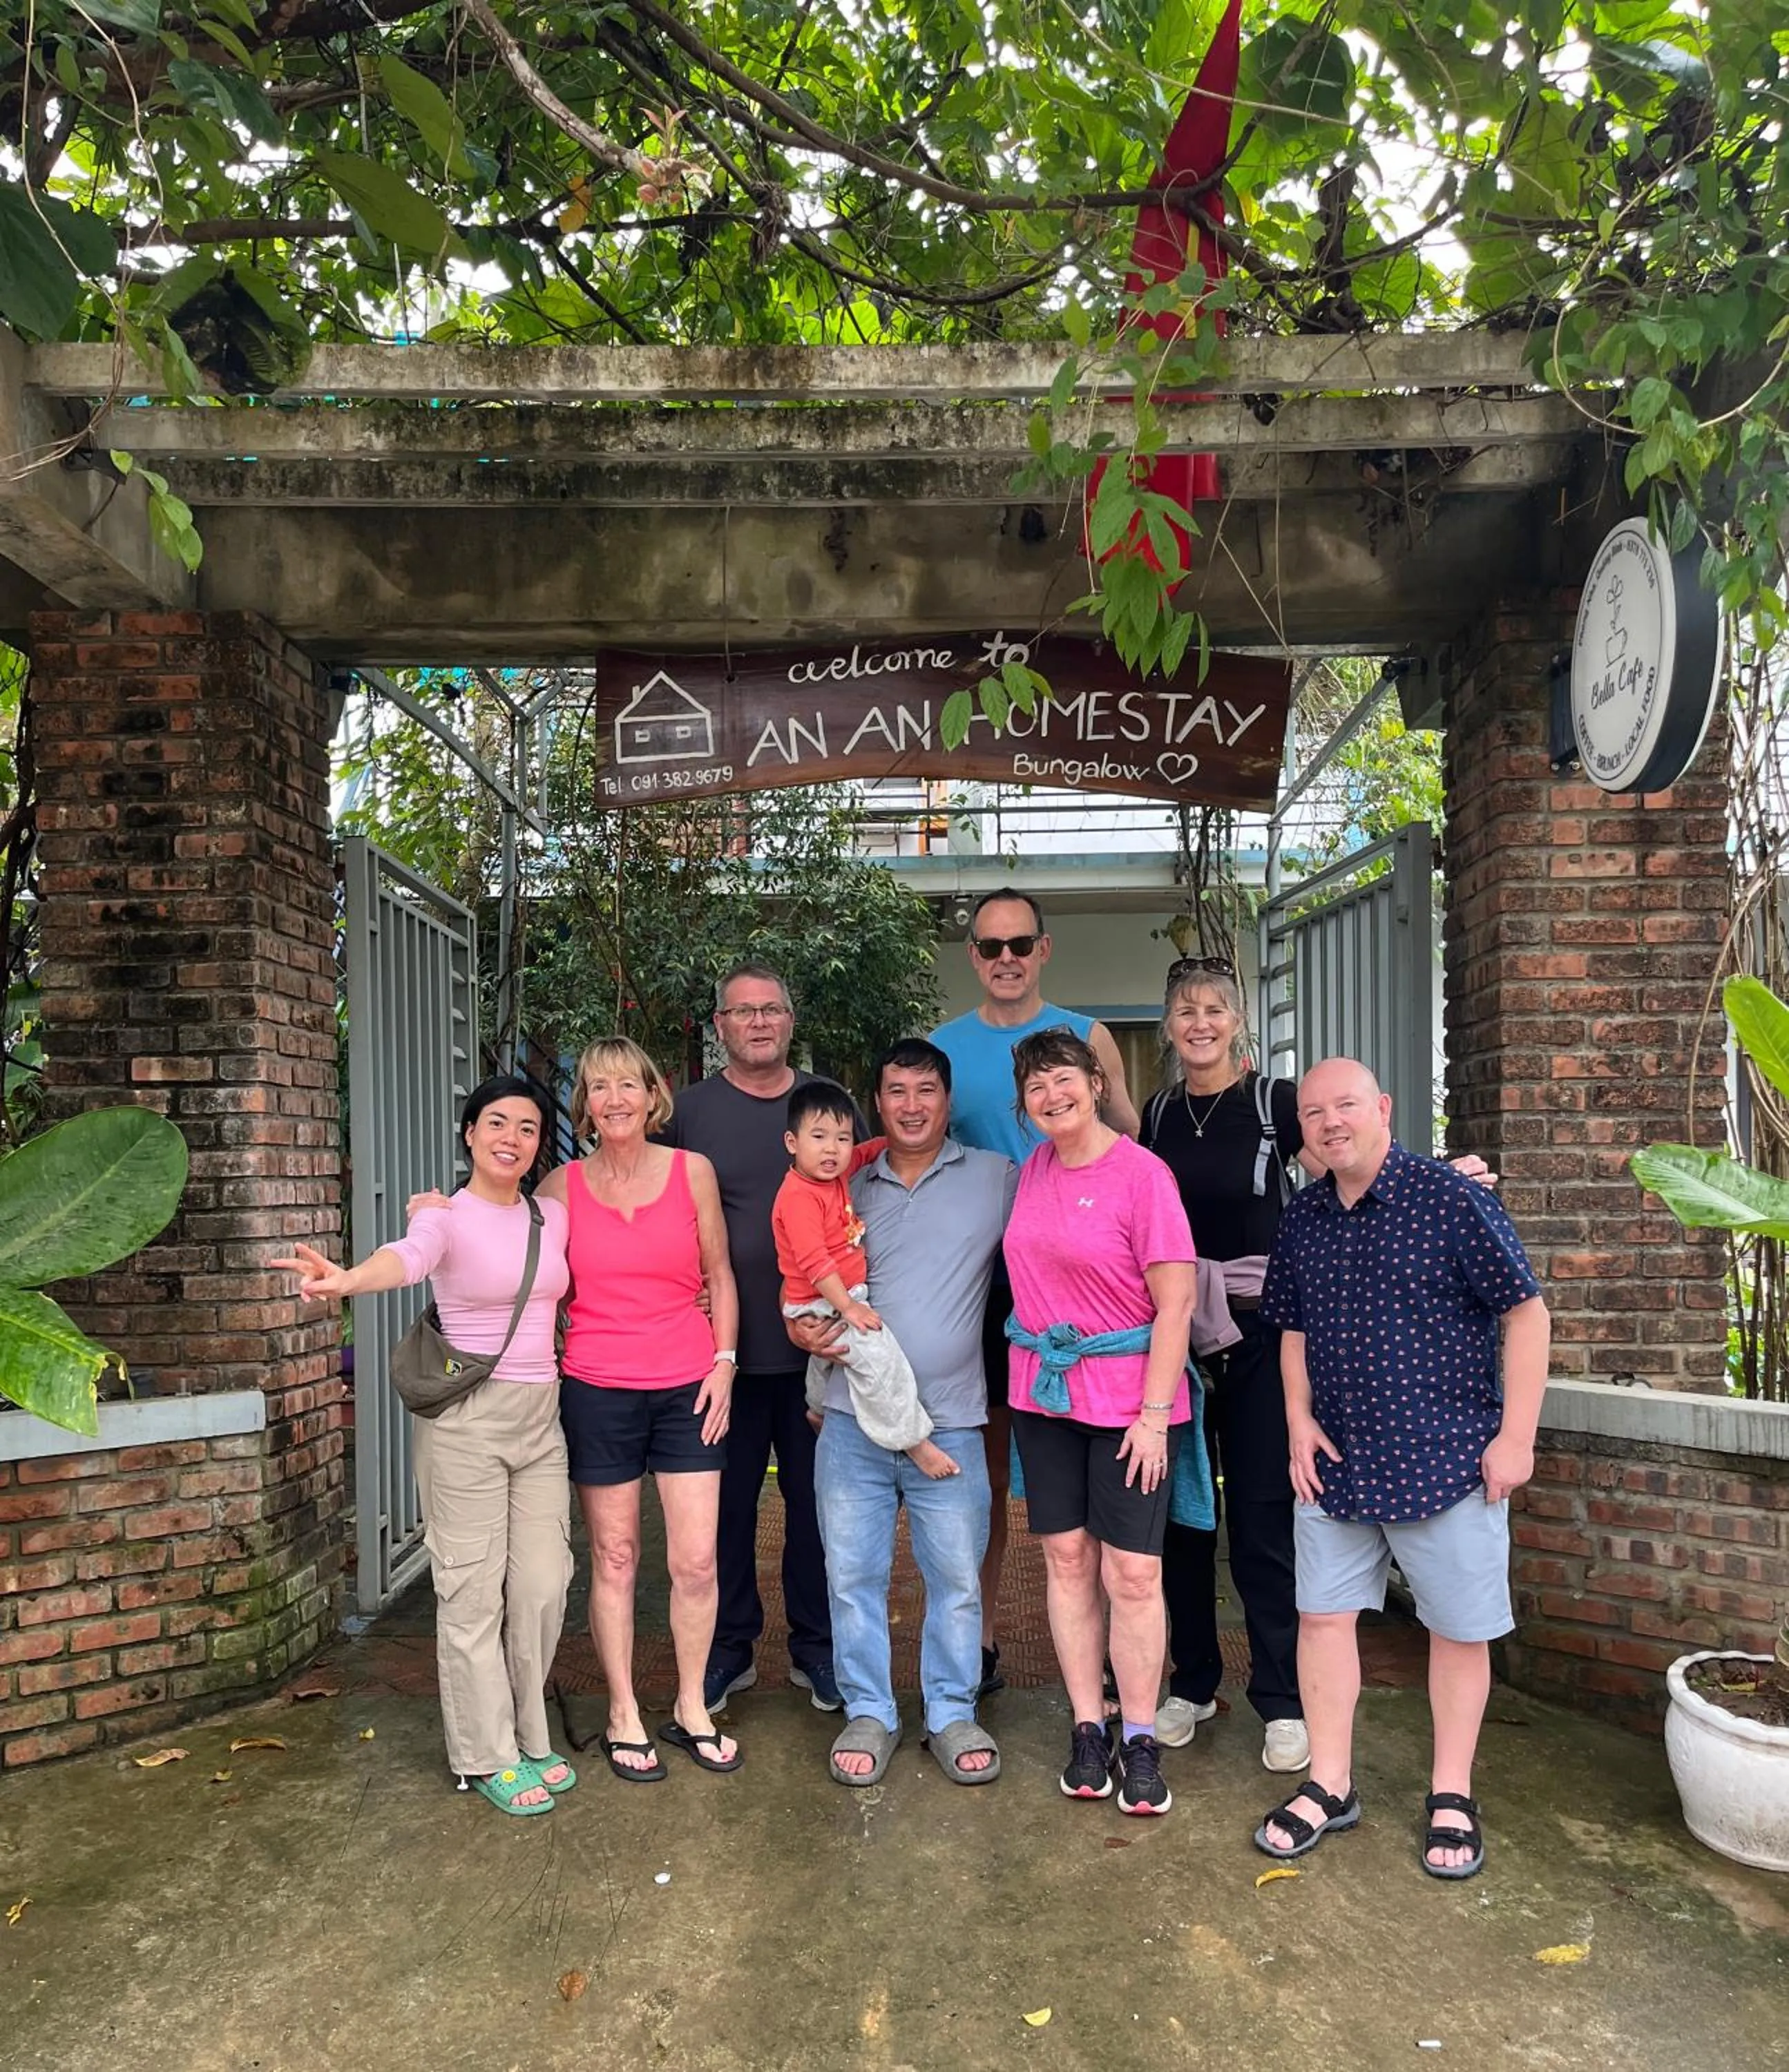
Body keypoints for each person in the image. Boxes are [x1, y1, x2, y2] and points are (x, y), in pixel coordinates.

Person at [1253, 1057, 1550, 1879]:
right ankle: (1329, 1780)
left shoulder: (1450, 1199)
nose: (1329, 1122)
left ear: (1382, 1106)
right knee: (1322, 1620)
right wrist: (1297, 1420)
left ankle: (1451, 1792)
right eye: (1313, 1113)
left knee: (1456, 1629)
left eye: (1344, 1105)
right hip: (1337, 1463)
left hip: (1446, 1459)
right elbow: (1293, 1327)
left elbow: (1525, 1312)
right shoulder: (1304, 1218)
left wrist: (1515, 1438)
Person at [275, 1077, 576, 1817]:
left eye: (529, 1127)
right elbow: (407, 1257)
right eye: (496, 1122)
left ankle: (530, 1730)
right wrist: (347, 1280)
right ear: (469, 1133)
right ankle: (485, 1755)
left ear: (540, 1145)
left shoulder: (554, 1217)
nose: (512, 1137)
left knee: (542, 1583)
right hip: (466, 1423)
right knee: (471, 1590)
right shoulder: (445, 1217)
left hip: (543, 1419)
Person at [787, 1039, 1015, 1788]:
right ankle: (870, 1711)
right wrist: (795, 1328)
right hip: (851, 1419)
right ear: (875, 1104)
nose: (911, 1104)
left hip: (949, 1420)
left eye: (925, 1090)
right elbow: (794, 1262)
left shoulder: (995, 1177)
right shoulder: (842, 1181)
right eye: (895, 1091)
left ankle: (951, 1711)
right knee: (852, 1576)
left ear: (946, 1102)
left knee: (954, 1579)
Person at [930, 889, 1141, 1698]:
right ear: (973, 957)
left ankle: (1113, 1663)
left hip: (1089, 1290)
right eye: (990, 947)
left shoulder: (1088, 1038)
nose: (1006, 958)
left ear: (1044, 949)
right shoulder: (943, 1049)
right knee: (982, 1478)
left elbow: (1135, 1145)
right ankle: (979, 1642)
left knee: (1098, 1484)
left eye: (1020, 943)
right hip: (982, 1288)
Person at [1003, 1026, 1205, 1819]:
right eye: (1036, 1089)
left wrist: (1155, 1416)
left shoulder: (1141, 1175)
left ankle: (1143, 1733)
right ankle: (1088, 1726)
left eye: (1063, 1080)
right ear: (1025, 1107)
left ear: (1094, 1080)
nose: (1052, 1097)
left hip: (1130, 1405)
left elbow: (1176, 1302)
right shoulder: (1030, 1172)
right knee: (1064, 1561)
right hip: (1047, 1398)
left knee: (1134, 1572)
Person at [542, 1035, 743, 1781]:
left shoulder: (693, 1173)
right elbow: (515, 1255)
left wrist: (724, 1364)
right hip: (597, 1386)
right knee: (616, 1556)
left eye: (629, 1084)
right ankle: (624, 1710)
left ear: (653, 1096)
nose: (616, 1099)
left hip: (689, 1385)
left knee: (694, 1559)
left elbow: (720, 1276)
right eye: (600, 1087)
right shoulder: (560, 1190)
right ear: (586, 1105)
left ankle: (692, 1705)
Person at [1139, 957, 1312, 1774]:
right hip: (1173, 1341)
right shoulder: (1159, 1112)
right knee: (1180, 1520)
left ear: (1237, 1021)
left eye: (1214, 1008)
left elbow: (1347, 1177)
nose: (1199, 1022)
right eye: (1184, 1010)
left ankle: (1282, 1697)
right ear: (1169, 1025)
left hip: (1258, 1338)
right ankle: (1193, 1681)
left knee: (1261, 1520)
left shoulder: (1278, 1105)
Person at [660, 963, 846, 1715]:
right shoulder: (688, 1113)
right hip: (719, 1359)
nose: (759, 1022)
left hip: (818, 1359)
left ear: (790, 1019)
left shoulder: (828, 1107)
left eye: (772, 1009)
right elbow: (654, 1202)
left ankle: (816, 1649)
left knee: (818, 1512)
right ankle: (728, 1651)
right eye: (743, 1012)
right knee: (724, 1514)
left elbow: (859, 1206)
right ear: (721, 1026)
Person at [773, 1080, 958, 1480]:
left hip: (831, 1296)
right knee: (879, 1361)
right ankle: (914, 1441)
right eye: (819, 1137)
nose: (832, 1149)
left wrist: (889, 1141)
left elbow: (862, 1154)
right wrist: (849, 1307)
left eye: (841, 1138)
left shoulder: (831, 1173)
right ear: (792, 1142)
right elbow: (815, 1262)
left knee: (829, 1360)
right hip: (825, 1298)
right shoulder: (800, 1197)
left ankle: (818, 1408)